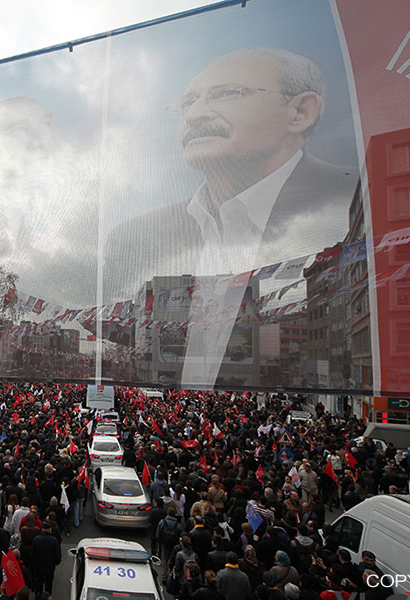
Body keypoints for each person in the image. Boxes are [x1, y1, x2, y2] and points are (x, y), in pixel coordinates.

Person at [103, 47, 356, 386]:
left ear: (299, 111)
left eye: (225, 94)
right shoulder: (134, 236)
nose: (195, 115)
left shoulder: (352, 198)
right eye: (187, 104)